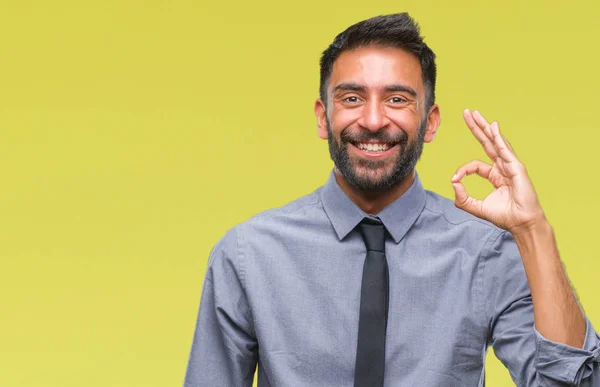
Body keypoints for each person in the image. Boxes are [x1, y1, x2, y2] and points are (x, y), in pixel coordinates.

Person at [184, 12, 600, 386]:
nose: (372, 119)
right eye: (351, 98)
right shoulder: (247, 254)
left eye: (397, 99)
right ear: (322, 117)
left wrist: (533, 230)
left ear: (430, 122)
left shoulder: (485, 253)